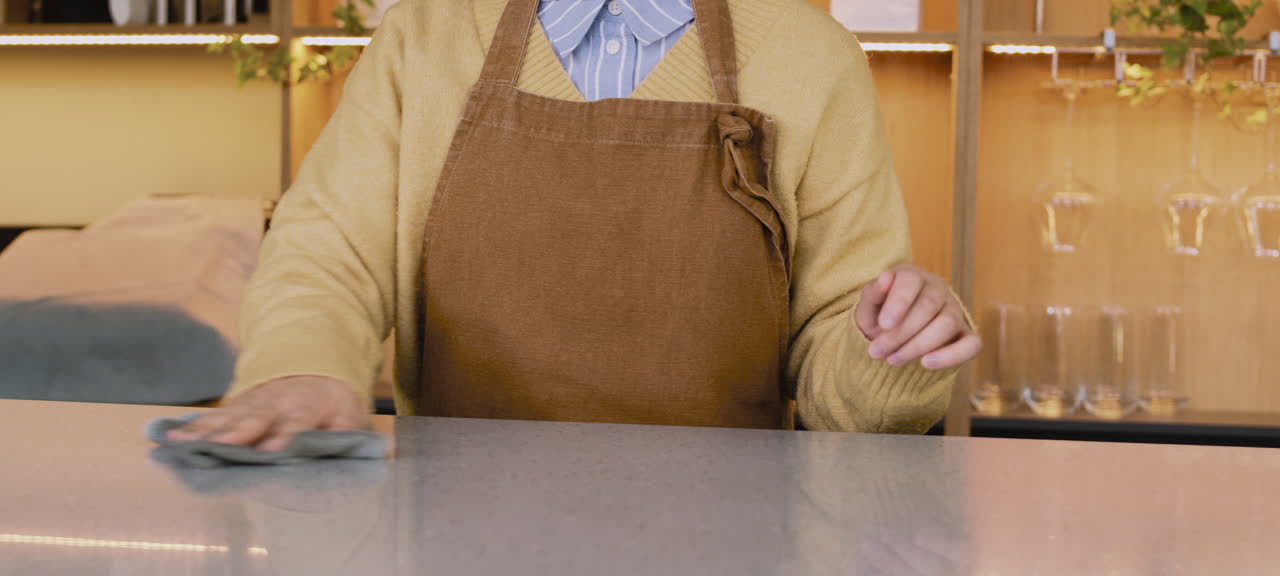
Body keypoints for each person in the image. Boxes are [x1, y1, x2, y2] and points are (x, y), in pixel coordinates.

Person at [168, 0, 981, 451]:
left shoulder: (815, 59)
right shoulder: (424, 38)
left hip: (739, 567)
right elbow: (327, 255)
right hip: (449, 550)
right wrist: (302, 366)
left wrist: (895, 348)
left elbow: (847, 365)